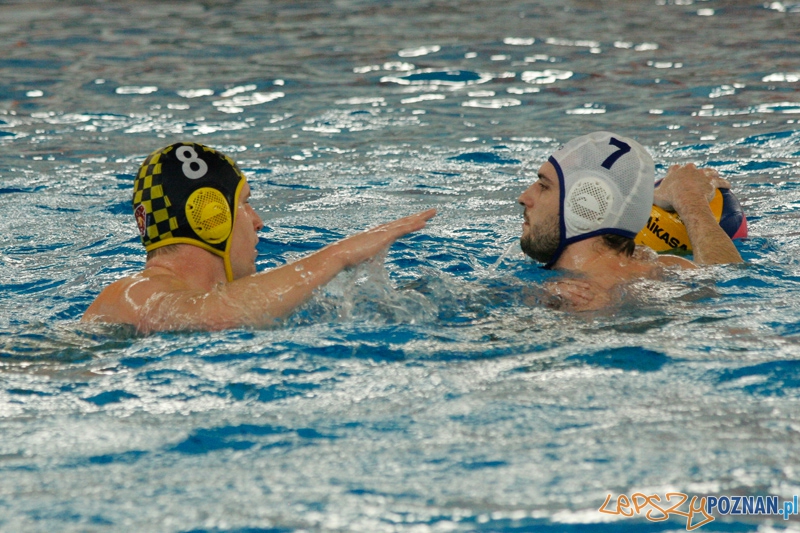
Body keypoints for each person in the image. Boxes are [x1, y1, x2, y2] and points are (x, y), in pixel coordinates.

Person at [82, 142, 435, 333]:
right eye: (244, 204)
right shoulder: (135, 292)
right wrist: (340, 254)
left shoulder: (170, 293)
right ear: (209, 217)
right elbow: (212, 315)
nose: (258, 221)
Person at [517, 131, 743, 310]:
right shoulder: (663, 270)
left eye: (544, 186)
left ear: (586, 205)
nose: (524, 197)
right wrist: (690, 200)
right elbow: (730, 282)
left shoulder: (567, 300)